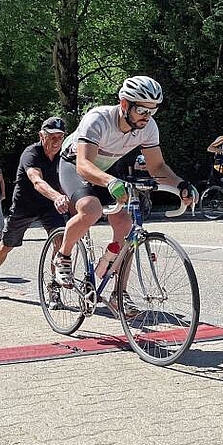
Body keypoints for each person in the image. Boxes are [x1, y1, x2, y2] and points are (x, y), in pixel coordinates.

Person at [54, 76, 195, 304]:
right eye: (142, 109)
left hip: (106, 169)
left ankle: (119, 293)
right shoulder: (98, 119)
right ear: (124, 104)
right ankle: (64, 255)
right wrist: (110, 182)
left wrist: (180, 184)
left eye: (153, 110)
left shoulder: (148, 127)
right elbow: (84, 165)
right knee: (91, 210)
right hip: (75, 165)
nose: (147, 116)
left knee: (126, 224)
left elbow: (156, 166)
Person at [0, 117, 69, 298]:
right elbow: (36, 180)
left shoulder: (63, 155)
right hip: (25, 204)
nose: (56, 141)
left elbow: (68, 179)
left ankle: (54, 287)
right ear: (42, 135)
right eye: (52, 137)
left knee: (61, 241)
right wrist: (57, 196)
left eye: (60, 137)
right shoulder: (31, 153)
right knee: (6, 245)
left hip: (49, 205)